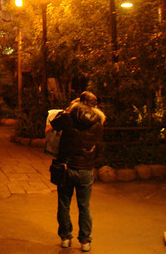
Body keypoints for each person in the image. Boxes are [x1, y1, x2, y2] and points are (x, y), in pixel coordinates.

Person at [49, 91, 105, 251]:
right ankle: (85, 241)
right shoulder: (98, 123)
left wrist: (68, 108)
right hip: (85, 169)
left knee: (64, 204)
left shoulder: (69, 116)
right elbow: (99, 148)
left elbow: (53, 124)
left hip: (67, 167)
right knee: (84, 206)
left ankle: (66, 238)